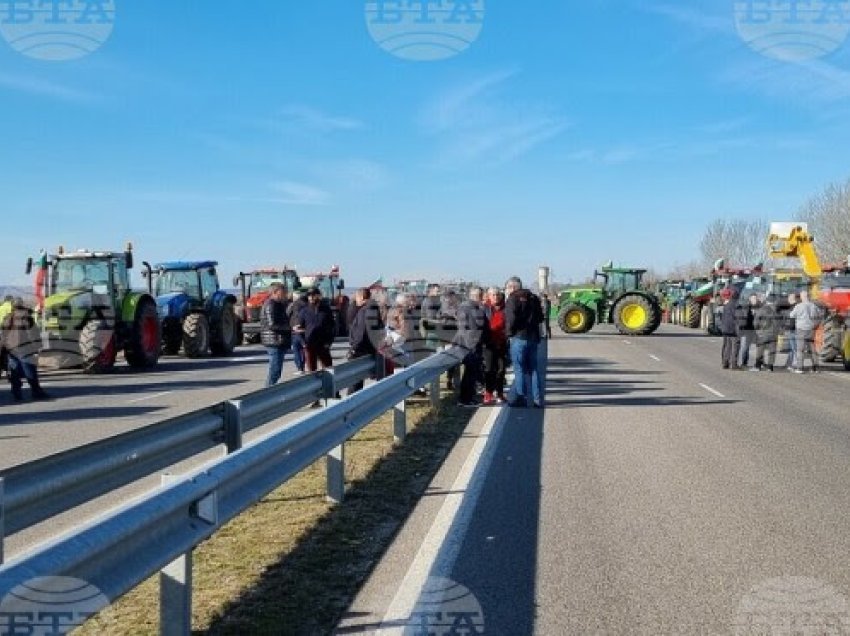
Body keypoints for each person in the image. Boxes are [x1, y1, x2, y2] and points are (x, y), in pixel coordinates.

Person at [504, 276, 544, 407]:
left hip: (519, 337)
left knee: (519, 368)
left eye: (508, 287)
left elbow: (511, 319)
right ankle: (537, 399)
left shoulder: (512, 298)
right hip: (533, 337)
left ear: (512, 287)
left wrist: (509, 334)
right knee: (533, 369)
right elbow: (541, 317)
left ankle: (521, 397)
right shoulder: (534, 298)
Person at [1, 298, 49, 401]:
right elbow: (32, 333)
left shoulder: (8, 317)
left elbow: (4, 334)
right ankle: (36, 391)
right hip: (24, 347)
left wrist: (3, 347)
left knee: (14, 371)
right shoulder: (26, 317)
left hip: (11, 348)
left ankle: (16, 392)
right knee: (29, 369)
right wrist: (37, 346)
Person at [454, 286, 489, 407]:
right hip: (468, 346)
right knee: (469, 373)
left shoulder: (477, 307)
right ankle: (464, 399)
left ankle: (469, 397)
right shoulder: (465, 308)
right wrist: (471, 344)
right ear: (471, 295)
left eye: (480, 295)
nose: (479, 297)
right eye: (477, 295)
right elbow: (463, 328)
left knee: (472, 373)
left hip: (476, 345)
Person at [347, 288, 384, 394]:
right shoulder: (373, 309)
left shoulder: (365, 311)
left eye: (356, 297)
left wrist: (354, 348)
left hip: (361, 351)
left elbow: (362, 332)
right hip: (370, 349)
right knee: (358, 381)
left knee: (354, 382)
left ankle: (350, 406)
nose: (355, 300)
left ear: (362, 297)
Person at [260, 283, 292, 387]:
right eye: (283, 292)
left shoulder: (278, 304)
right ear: (275, 292)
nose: (285, 295)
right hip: (274, 342)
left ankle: (268, 392)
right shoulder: (271, 304)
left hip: (278, 341)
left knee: (276, 371)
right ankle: (266, 394)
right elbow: (272, 325)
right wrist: (290, 329)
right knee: (274, 371)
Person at [483, 289, 508, 404]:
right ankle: (488, 393)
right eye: (493, 295)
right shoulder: (485, 308)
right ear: (489, 296)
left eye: (498, 294)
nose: (496, 297)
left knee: (501, 369)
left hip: (502, 342)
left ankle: (500, 393)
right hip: (489, 342)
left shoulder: (506, 308)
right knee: (489, 369)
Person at [788, 289, 822, 373]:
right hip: (811, 329)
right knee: (812, 349)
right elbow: (820, 315)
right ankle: (815, 368)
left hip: (801, 330)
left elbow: (791, 315)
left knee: (800, 350)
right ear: (808, 297)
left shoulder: (799, 306)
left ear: (802, 297)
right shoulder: (814, 306)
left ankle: (800, 368)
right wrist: (815, 325)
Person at [752, 295, 779, 371]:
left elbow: (755, 322)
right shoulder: (777, 310)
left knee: (760, 349)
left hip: (763, 333)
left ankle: (758, 366)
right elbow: (779, 322)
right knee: (772, 350)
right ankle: (770, 367)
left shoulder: (761, 309)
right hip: (773, 333)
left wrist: (757, 331)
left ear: (767, 301)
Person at [287, 288, 308, 375]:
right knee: (304, 348)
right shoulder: (308, 305)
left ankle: (300, 367)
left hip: (296, 330)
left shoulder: (293, 305)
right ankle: (306, 365)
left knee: (297, 349)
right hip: (304, 330)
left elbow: (288, 314)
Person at [720, 288, 741, 370]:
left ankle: (725, 363)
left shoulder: (727, 305)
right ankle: (734, 364)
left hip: (725, 328)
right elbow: (738, 318)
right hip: (733, 329)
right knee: (735, 346)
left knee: (727, 346)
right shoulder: (736, 305)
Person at [738, 293, 758, 368]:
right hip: (746, 330)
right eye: (753, 298)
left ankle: (758, 363)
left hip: (754, 330)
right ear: (750, 299)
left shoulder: (758, 307)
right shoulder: (746, 307)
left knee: (756, 347)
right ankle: (744, 362)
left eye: (755, 298)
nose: (754, 300)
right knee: (745, 347)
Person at [783, 292, 798, 370]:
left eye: (789, 298)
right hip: (790, 329)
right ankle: (789, 363)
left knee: (793, 348)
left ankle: (794, 364)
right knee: (790, 348)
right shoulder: (791, 307)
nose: (788, 299)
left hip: (793, 330)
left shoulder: (795, 307)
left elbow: (792, 320)